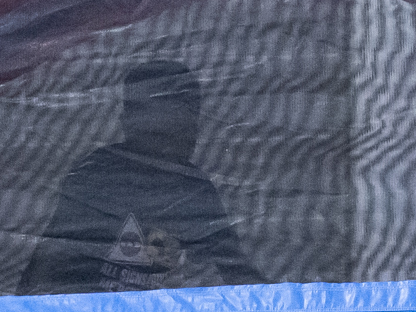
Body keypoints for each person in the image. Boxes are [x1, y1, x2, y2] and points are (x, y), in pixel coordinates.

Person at [22, 58, 260, 296]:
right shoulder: (98, 174)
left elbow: (233, 267)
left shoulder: (194, 188)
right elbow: (49, 260)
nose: (181, 137)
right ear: (130, 124)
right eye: (163, 129)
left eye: (188, 124)